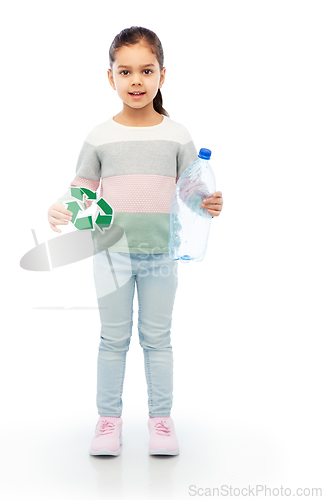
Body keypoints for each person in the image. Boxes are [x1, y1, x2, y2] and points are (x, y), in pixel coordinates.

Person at [47, 26, 223, 457]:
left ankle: (161, 422)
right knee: (113, 339)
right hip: (110, 253)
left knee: (157, 339)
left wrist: (209, 202)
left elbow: (190, 193)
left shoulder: (178, 135)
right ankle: (108, 422)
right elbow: (83, 187)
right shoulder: (99, 136)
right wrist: (61, 206)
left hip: (162, 254)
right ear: (111, 78)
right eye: (125, 72)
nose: (137, 81)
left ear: (163, 74)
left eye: (146, 70)